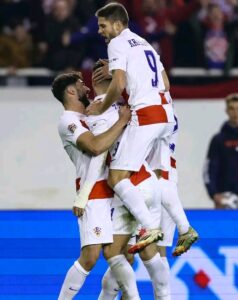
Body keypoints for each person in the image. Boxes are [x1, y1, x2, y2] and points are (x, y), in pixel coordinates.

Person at [86, 2, 175, 253]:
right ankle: (161, 226)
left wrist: (102, 107)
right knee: (152, 175)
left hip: (146, 115)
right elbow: (165, 84)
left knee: (116, 177)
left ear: (117, 24)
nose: (100, 31)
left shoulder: (116, 43)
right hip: (165, 116)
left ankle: (149, 228)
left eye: (103, 26)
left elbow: (120, 82)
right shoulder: (144, 43)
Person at [51, 72, 141, 299]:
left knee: (125, 255)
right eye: (80, 84)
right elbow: (95, 146)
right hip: (94, 192)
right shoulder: (68, 121)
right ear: (70, 91)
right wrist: (121, 121)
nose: (86, 86)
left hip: (119, 188)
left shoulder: (95, 112)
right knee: (91, 256)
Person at [204, 93, 238, 209]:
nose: (235, 113)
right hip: (225, 198)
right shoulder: (218, 139)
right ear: (227, 111)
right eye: (232, 109)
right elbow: (209, 168)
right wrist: (213, 194)